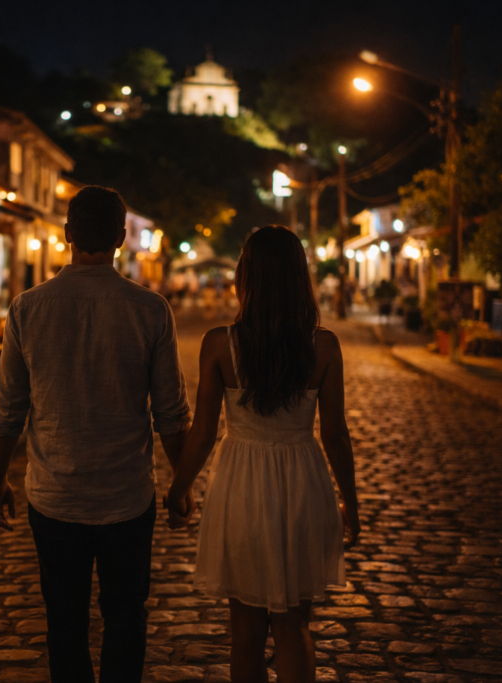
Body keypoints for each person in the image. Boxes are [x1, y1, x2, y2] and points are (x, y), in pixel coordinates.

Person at [0, 186, 193, 683]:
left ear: (66, 234)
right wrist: (181, 487)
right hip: (127, 497)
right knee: (126, 617)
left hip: (54, 497)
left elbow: (6, 411)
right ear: (122, 238)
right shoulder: (150, 310)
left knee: (64, 621)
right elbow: (171, 415)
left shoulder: (27, 308)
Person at [164, 226, 360, 682]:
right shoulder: (323, 345)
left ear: (244, 275)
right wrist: (350, 501)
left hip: (242, 487)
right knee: (294, 627)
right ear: (300, 277)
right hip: (304, 485)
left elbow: (205, 433)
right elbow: (335, 434)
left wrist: (179, 488)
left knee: (246, 632)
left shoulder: (220, 344)